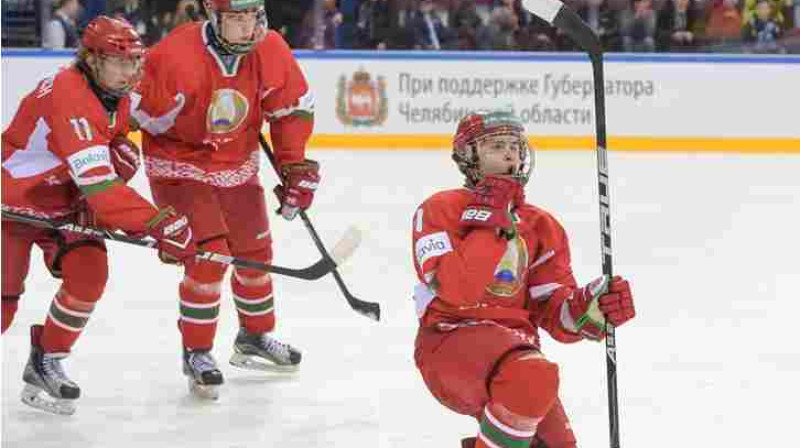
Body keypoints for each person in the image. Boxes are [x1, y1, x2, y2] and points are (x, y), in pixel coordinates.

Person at [1, 16, 196, 415]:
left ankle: (46, 361)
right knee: (3, 306)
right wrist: (157, 223)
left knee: (89, 274)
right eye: (120, 62)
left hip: (65, 199)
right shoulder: (70, 96)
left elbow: (106, 143)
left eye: (135, 62)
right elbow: (104, 193)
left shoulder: (115, 92)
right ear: (91, 59)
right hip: (13, 202)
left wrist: (119, 146)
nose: (131, 71)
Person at [411, 110, 636, 448]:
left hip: (517, 352)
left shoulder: (542, 225)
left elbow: (554, 311)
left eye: (515, 146)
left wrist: (592, 308)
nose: (509, 154)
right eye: (496, 146)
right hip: (449, 340)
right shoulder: (439, 209)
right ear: (468, 156)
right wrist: (489, 221)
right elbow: (457, 290)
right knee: (533, 375)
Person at [130, 0, 318, 399]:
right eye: (235, 18)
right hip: (179, 164)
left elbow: (290, 110)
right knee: (210, 257)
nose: (246, 26)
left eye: (251, 16)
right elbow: (129, 109)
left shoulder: (271, 49)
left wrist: (294, 166)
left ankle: (255, 336)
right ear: (214, 18)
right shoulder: (175, 56)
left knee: (255, 253)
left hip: (236, 162)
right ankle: (197, 352)